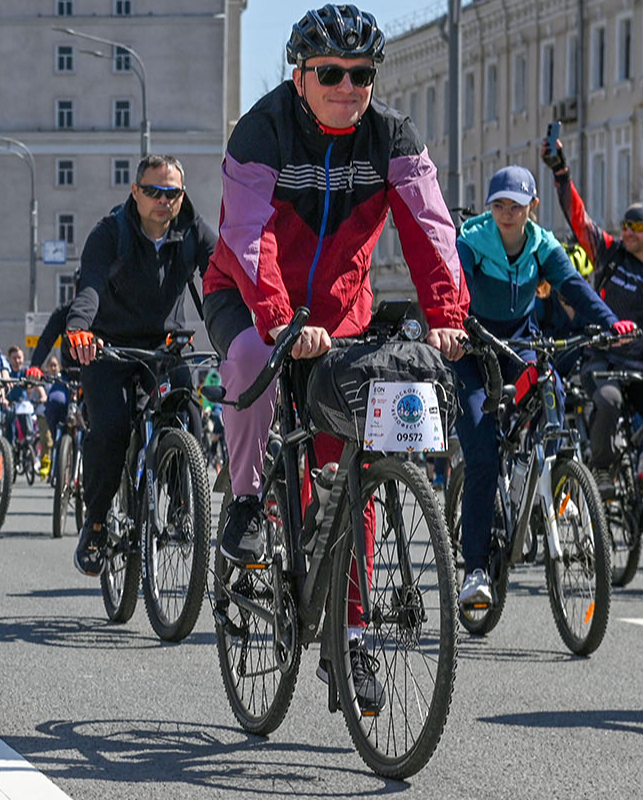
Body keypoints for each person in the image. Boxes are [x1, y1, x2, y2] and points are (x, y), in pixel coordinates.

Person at [202, 5, 470, 709]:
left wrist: (445, 317)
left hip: (339, 316)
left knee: (353, 463)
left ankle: (352, 642)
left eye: (362, 74)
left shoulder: (393, 136)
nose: (348, 86)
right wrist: (280, 317)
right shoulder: (261, 130)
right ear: (301, 74)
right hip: (248, 297)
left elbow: (431, 227)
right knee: (254, 357)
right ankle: (249, 503)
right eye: (331, 74)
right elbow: (249, 235)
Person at [452, 166, 629, 607]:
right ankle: (475, 569)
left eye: (516, 205)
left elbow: (575, 288)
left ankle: (544, 471)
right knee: (482, 455)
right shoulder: (471, 242)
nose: (507, 214)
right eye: (499, 205)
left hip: (519, 345)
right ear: (490, 208)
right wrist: (455, 329)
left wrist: (611, 325)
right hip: (472, 351)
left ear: (532, 207)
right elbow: (455, 295)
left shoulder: (542, 244)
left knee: (550, 388)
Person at [64, 153, 217, 576]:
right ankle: (96, 522)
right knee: (110, 429)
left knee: (187, 411)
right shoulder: (110, 232)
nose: (163, 200)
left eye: (172, 193)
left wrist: (243, 333)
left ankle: (185, 508)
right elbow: (90, 285)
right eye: (153, 191)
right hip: (109, 347)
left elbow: (223, 281)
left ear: (182, 195)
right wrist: (80, 328)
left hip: (165, 348)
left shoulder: (193, 231)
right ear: (135, 192)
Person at [542, 137, 643, 474]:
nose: (628, 232)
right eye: (626, 225)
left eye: (636, 227)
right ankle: (601, 468)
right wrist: (561, 172)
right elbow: (579, 220)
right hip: (602, 361)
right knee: (609, 402)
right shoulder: (611, 253)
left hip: (638, 364)